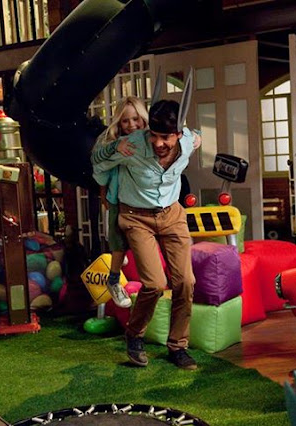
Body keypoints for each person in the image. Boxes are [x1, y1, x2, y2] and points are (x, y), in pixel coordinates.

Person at [92, 100, 201, 370]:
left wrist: (197, 138)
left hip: (172, 215)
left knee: (185, 282)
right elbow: (97, 161)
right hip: (136, 217)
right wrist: (113, 149)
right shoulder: (132, 145)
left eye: (165, 137)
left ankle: (178, 346)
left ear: (179, 134)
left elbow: (197, 136)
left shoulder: (188, 141)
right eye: (154, 135)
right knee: (154, 284)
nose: (158, 143)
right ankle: (134, 335)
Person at [93, 96, 149, 309]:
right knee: (117, 239)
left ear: (143, 118)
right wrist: (116, 147)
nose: (131, 125)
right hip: (118, 197)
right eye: (125, 121)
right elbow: (98, 164)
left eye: (136, 119)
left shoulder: (150, 138)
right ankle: (114, 279)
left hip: (144, 198)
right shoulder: (111, 140)